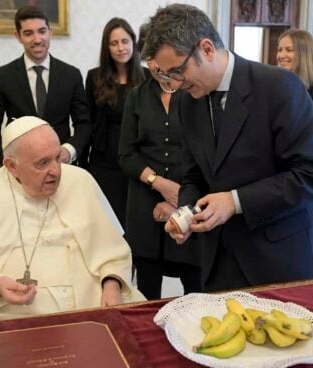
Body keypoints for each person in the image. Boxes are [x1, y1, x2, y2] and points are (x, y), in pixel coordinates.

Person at [143, 4, 313, 292]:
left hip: (278, 259)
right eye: (165, 76)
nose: (174, 84)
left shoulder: (280, 87)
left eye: (178, 71)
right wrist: (186, 212)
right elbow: (194, 174)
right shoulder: (186, 101)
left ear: (206, 49)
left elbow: (312, 173)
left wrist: (235, 201)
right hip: (219, 262)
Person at [0, 116, 145, 322]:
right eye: (42, 163)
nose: (56, 171)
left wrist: (112, 285)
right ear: (12, 166)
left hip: (92, 304)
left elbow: (114, 252)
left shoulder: (80, 181)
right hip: (16, 315)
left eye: (57, 158)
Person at [118, 25, 201, 300]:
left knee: (195, 291)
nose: (155, 64)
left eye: (159, 55)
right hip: (145, 205)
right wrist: (159, 183)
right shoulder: (137, 96)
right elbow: (126, 154)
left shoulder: (195, 94)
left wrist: (178, 199)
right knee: (146, 295)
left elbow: (204, 155)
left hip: (189, 201)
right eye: (149, 57)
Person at [0, 5, 91, 165]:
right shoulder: (3, 76)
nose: (37, 39)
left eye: (42, 31)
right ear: (17, 36)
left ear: (50, 32)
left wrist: (68, 150)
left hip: (61, 165)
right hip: (19, 168)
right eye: (28, 33)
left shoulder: (71, 75)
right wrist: (7, 156)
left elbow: (84, 124)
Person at [82, 18, 146, 227]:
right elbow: (88, 122)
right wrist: (82, 166)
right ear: (106, 47)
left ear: (133, 43)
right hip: (103, 162)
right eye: (114, 43)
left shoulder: (146, 78)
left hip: (137, 162)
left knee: (133, 222)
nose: (121, 48)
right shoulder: (94, 77)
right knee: (106, 223)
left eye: (125, 41)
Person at [276, 29, 313, 130]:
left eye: (289, 50)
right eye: (279, 50)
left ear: (304, 55)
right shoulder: (271, 87)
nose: (281, 55)